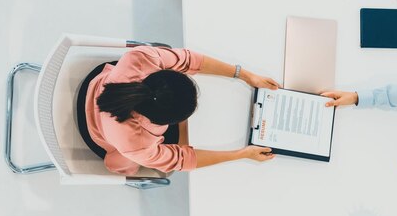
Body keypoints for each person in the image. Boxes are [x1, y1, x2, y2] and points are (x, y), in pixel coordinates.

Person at [81, 46, 280, 176]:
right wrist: (240, 154)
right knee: (169, 155)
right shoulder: (137, 144)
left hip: (98, 86)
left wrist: (246, 75)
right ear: (163, 124)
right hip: (98, 133)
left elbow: (190, 60)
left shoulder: (140, 59)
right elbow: (182, 160)